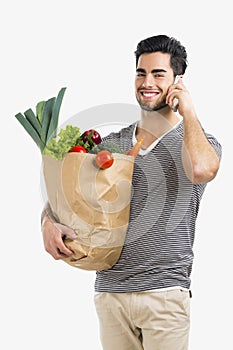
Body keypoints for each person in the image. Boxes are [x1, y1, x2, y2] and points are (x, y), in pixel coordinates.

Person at [41, 34, 222, 350]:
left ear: (178, 81)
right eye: (141, 72)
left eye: (158, 74)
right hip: (111, 293)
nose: (147, 82)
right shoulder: (109, 144)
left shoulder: (197, 143)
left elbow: (202, 170)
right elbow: (67, 194)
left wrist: (189, 112)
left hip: (164, 295)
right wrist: (47, 221)